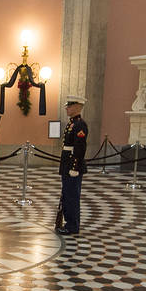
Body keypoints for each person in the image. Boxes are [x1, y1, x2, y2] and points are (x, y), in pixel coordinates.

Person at [56, 96, 88, 235]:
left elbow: (80, 149)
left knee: (72, 196)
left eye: (70, 106)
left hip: (72, 167)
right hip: (67, 165)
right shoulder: (72, 123)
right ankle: (69, 222)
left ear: (77, 107)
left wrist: (74, 167)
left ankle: (72, 226)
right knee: (67, 195)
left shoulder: (80, 125)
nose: (67, 108)